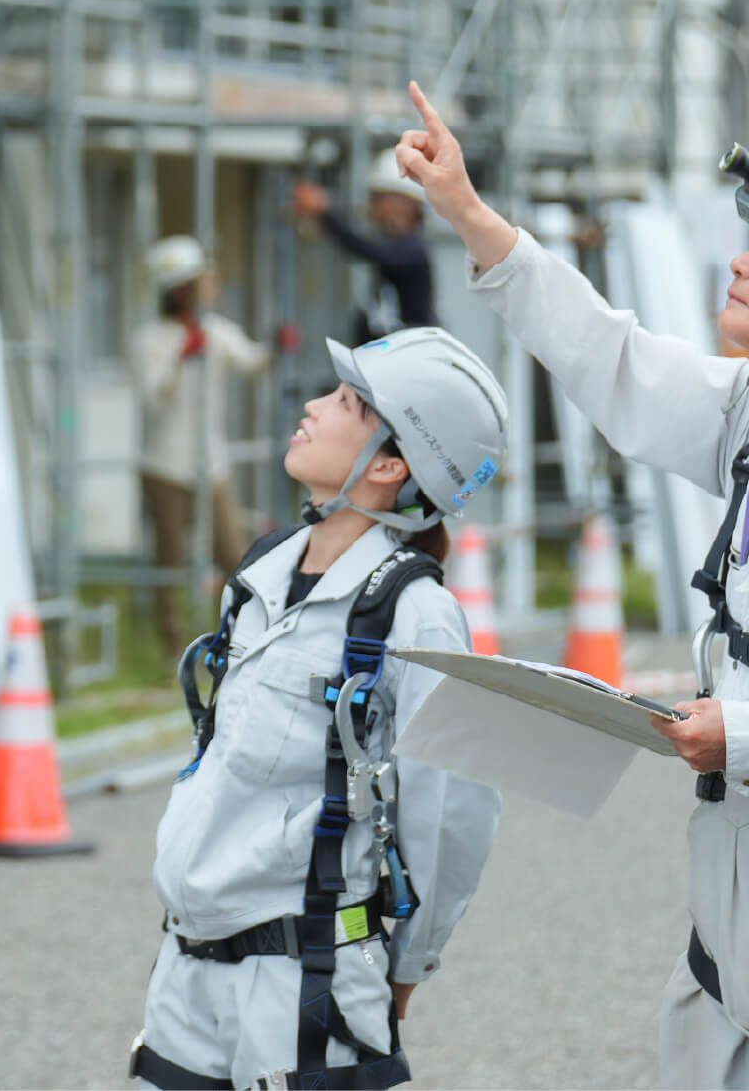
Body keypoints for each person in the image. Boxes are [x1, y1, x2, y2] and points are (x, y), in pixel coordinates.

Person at [393, 81, 749, 1087]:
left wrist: (743, 734)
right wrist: (469, 214)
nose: (740, 259)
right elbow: (608, 358)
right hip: (724, 889)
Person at [130, 326, 508, 1090]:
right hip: (185, 966)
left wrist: (408, 961)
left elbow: (451, 812)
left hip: (304, 983)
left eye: (346, 403)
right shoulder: (262, 572)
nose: (312, 405)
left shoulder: (415, 614)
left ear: (392, 465)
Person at [135, 235, 272, 657]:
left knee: (232, 553)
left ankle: (240, 643)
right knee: (170, 562)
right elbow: (152, 399)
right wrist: (180, 358)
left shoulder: (216, 331)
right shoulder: (150, 338)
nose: (211, 283)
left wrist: (276, 347)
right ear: (179, 289)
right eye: (200, 278)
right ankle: (173, 649)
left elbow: (251, 362)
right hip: (165, 465)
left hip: (211, 463)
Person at [294, 149, 438, 344]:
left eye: (381, 199)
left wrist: (325, 213)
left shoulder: (413, 248)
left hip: (409, 356)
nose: (375, 207)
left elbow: (368, 249)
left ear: (406, 203)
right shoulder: (401, 245)